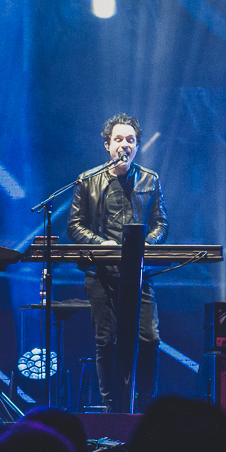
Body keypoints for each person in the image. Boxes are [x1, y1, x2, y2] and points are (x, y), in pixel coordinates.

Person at [67, 113, 168, 411]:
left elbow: (161, 223)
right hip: (100, 273)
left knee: (149, 339)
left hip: (139, 274)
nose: (125, 144)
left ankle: (147, 407)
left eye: (131, 140)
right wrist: (102, 244)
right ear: (107, 145)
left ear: (137, 145)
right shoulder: (88, 180)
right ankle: (111, 407)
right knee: (107, 341)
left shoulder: (150, 179)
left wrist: (145, 246)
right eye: (119, 139)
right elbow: (74, 225)